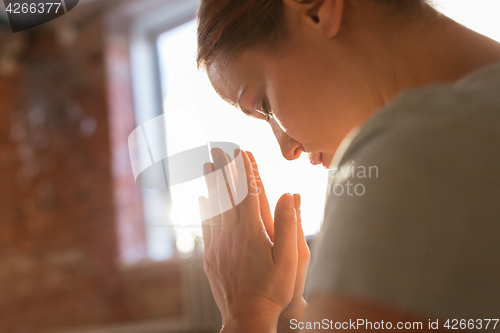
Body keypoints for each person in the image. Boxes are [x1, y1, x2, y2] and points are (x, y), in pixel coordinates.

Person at [196, 0, 500, 332]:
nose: (287, 149)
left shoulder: (410, 156)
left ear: (318, 10)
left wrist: (247, 311)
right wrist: (292, 310)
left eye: (264, 105)